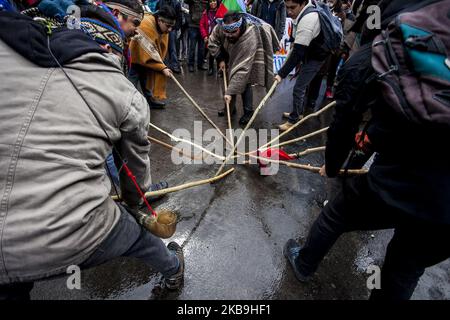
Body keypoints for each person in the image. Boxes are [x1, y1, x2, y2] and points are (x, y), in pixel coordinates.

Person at [0, 4, 184, 300]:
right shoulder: (124, 92)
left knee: (12, 277)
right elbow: (133, 172)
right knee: (139, 237)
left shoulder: (11, 51)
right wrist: (135, 205)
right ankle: (173, 269)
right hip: (70, 231)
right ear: (110, 48)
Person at [283, 0, 450, 300]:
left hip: (405, 181)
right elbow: (373, 131)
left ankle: (304, 262)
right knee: (405, 267)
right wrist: (359, 151)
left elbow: (344, 124)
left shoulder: (381, 52)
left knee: (337, 213)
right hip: (444, 213)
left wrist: (333, 167)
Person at [208, 11, 279, 125]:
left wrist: (229, 92)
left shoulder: (249, 36)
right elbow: (212, 41)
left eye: (233, 32)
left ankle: (248, 111)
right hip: (227, 53)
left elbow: (242, 70)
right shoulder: (220, 27)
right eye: (227, 32)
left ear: (240, 27)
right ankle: (230, 108)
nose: (229, 35)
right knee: (226, 79)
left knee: (245, 81)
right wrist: (220, 58)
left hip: (246, 57)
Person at [275, 0, 332, 132]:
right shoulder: (302, 13)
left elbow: (297, 53)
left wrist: (281, 74)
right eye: (287, 8)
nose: (289, 12)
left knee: (299, 88)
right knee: (301, 86)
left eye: (293, 8)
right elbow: (297, 47)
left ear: (303, 4)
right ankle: (298, 112)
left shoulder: (308, 19)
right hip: (311, 52)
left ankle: (294, 119)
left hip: (316, 57)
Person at [129, 5, 176, 109]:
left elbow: (158, 50)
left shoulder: (162, 28)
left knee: (145, 78)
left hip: (148, 58)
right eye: (168, 26)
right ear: (160, 20)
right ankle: (128, 104)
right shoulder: (146, 24)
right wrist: (162, 68)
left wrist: (161, 65)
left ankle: (150, 100)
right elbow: (149, 51)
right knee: (132, 80)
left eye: (172, 26)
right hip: (135, 56)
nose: (170, 29)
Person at [156, 0, 183, 73]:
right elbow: (157, 13)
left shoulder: (176, 3)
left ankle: (174, 65)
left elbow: (179, 17)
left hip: (172, 28)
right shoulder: (160, 2)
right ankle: (163, 64)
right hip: (161, 28)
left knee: (172, 47)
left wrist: (175, 28)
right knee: (162, 46)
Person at [185, 0, 208, 72]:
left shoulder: (206, 2)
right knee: (192, 47)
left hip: (202, 27)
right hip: (193, 26)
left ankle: (200, 64)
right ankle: (190, 65)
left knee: (201, 48)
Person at [199, 0, 218, 76]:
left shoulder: (220, 11)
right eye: (210, 1)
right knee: (211, 53)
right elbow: (201, 24)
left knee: (219, 52)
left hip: (218, 36)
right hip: (209, 36)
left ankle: (221, 69)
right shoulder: (206, 12)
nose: (212, 3)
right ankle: (211, 68)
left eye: (214, 1)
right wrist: (205, 36)